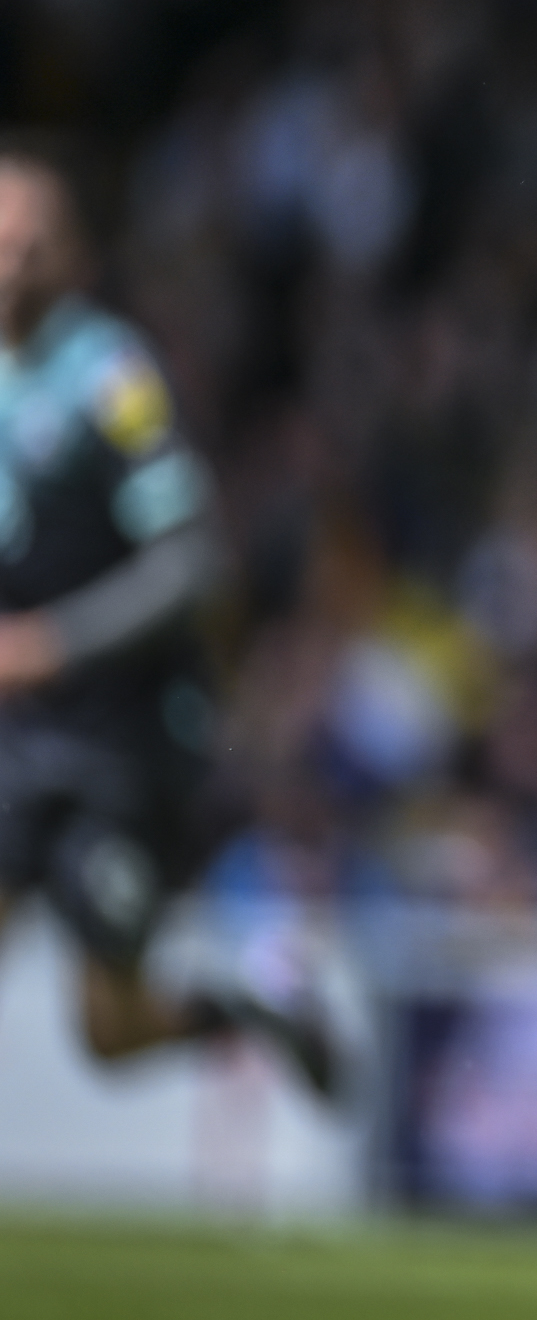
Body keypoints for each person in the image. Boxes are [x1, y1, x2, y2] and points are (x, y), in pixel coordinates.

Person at [0, 151, 330, 1093]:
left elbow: (191, 565)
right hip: (16, 737)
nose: (9, 259)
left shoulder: (110, 377)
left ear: (74, 256)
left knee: (111, 1033)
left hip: (124, 742)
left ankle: (249, 1001)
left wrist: (49, 646)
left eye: (31, 240)